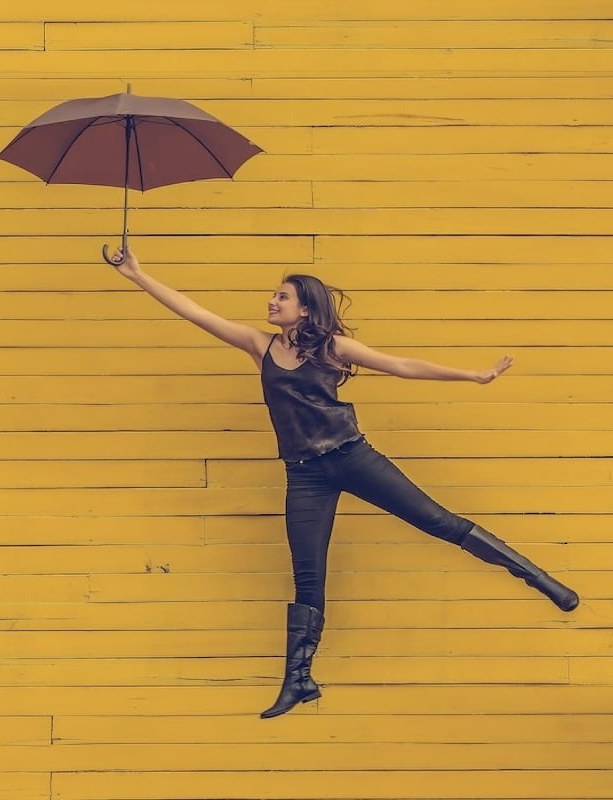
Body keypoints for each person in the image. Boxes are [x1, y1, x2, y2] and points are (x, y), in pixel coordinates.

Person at [108, 245, 580, 719]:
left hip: (352, 457)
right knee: (308, 576)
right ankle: (299, 681)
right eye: (274, 295)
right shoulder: (260, 345)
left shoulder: (332, 346)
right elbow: (194, 312)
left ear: (305, 308)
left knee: (438, 521)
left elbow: (401, 365)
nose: (272, 302)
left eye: (282, 296)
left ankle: (541, 580)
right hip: (304, 474)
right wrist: (137, 275)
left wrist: (473, 376)